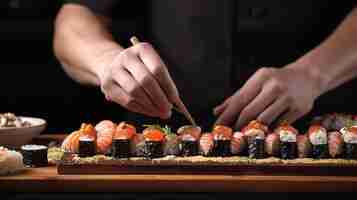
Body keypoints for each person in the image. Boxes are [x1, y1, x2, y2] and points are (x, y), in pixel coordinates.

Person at [54, 0, 357, 131]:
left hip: (322, 141)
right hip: (158, 152)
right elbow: (75, 18)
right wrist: (105, 61)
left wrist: (313, 73)